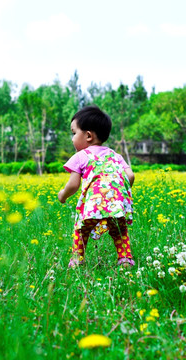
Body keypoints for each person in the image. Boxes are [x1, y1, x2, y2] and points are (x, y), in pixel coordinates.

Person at [58, 106, 135, 268]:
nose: (72, 139)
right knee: (119, 231)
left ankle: (77, 259)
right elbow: (130, 176)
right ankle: (125, 259)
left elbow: (73, 184)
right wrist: (119, 194)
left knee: (81, 230)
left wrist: (63, 195)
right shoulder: (115, 155)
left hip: (93, 204)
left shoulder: (80, 156)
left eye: (74, 133)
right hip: (117, 204)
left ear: (88, 136)